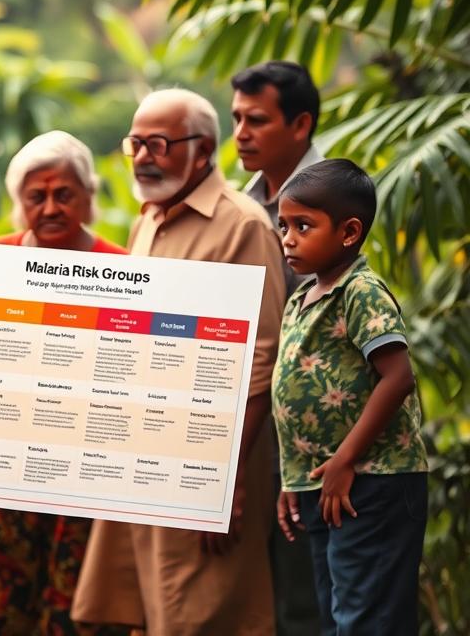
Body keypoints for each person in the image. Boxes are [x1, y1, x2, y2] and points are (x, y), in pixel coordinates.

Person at [72, 89, 286, 635]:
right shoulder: (148, 219)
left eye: (160, 144)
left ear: (204, 149)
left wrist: (224, 481)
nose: (144, 156)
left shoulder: (243, 224)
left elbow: (260, 362)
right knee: (150, 603)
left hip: (210, 454)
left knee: (203, 608)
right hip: (145, 449)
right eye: (136, 143)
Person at [0, 130, 128, 636]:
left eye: (65, 194)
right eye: (37, 196)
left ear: (88, 198)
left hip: (79, 483)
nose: (52, 206)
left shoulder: (124, 268)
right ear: (20, 204)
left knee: (70, 607)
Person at [273, 159, 428, 635]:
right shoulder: (302, 297)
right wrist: (291, 478)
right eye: (283, 225)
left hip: (371, 480)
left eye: (304, 225)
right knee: (337, 616)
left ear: (349, 232)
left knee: (366, 617)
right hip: (323, 483)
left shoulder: (360, 291)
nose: (288, 238)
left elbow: (397, 377)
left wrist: (345, 460)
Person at [231, 60, 324, 635]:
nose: (240, 132)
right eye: (236, 118)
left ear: (301, 125)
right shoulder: (245, 202)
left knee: (308, 593)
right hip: (256, 419)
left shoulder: (333, 196)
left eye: (257, 119)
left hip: (315, 430)